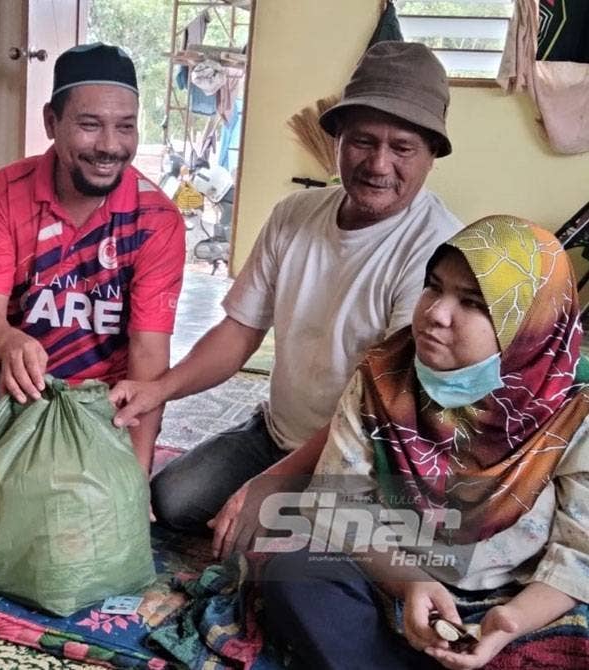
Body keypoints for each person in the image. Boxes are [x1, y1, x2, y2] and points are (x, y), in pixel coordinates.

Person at [109, 41, 462, 554]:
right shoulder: (295, 216)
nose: (378, 164)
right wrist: (160, 389)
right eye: (363, 141)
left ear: (431, 155)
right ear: (337, 141)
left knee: (266, 555)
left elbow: (381, 404)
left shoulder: (436, 253)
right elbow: (239, 332)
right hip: (277, 431)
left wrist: (271, 485)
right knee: (175, 500)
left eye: (402, 147)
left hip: (365, 455)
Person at [258, 215, 589, 670]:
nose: (435, 312)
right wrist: (410, 582)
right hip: (391, 571)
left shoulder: (575, 408)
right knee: (291, 567)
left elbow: (580, 554)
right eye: (433, 286)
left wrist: (511, 621)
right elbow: (337, 503)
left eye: (473, 302)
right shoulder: (384, 377)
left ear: (529, 325)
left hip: (516, 598)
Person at [0, 43, 186, 509]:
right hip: (23, 385)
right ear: (52, 123)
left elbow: (148, 354)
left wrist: (135, 475)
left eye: (125, 126)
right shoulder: (4, 193)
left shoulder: (157, 220)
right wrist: (10, 344)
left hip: (104, 405)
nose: (110, 146)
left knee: (62, 512)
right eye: (90, 125)